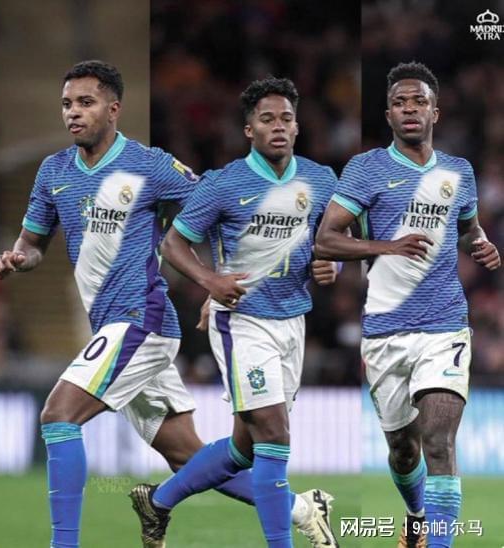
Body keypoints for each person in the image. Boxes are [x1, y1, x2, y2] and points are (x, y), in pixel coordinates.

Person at [0, 61, 338, 548]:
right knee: (187, 457)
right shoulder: (54, 172)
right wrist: (17, 259)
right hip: (110, 327)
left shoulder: (150, 165)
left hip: (141, 320)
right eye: (67, 104)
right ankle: (304, 509)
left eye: (86, 103)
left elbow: (217, 211)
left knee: (58, 416)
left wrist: (215, 283)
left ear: (113, 109)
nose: (73, 113)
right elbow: (32, 244)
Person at [130, 76, 341, 548]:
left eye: (286, 118)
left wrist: (332, 265)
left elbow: (331, 243)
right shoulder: (224, 184)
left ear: (297, 126)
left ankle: (158, 501)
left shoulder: (321, 180)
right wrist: (210, 281)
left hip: (293, 321)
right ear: (249, 130)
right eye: (267, 119)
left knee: (244, 448)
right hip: (243, 323)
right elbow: (173, 244)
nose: (278, 126)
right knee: (274, 434)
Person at [315, 62, 501, 548]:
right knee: (403, 450)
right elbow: (326, 239)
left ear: (435, 112)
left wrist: (481, 244)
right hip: (385, 331)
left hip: (444, 325)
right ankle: (416, 518)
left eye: (419, 101)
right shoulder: (366, 169)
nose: (410, 109)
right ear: (389, 115)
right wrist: (386, 247)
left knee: (439, 442)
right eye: (400, 103)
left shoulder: (459, 172)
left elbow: (467, 229)